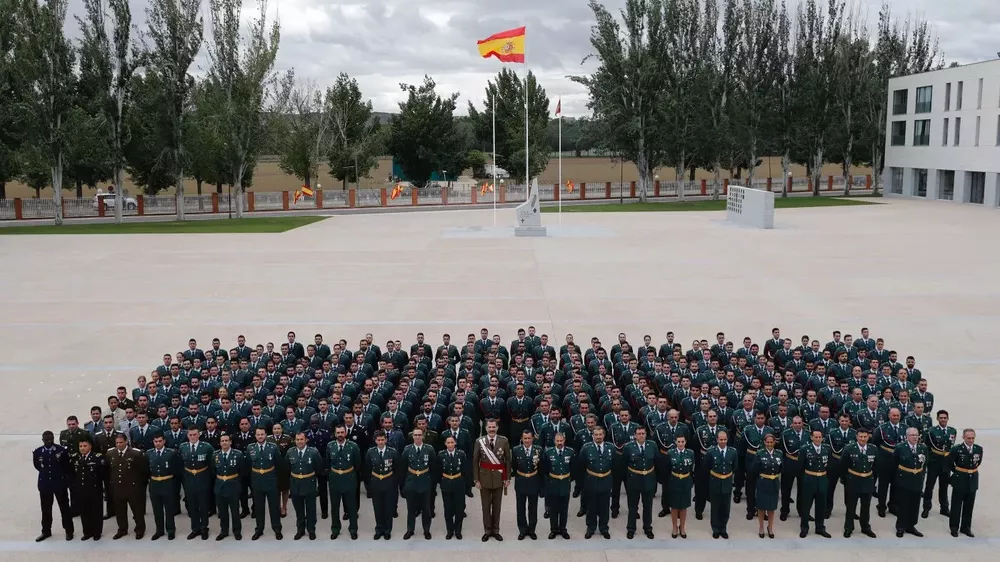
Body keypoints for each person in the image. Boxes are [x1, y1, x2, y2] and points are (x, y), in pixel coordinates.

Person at [472, 419, 511, 542]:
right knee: (485, 506)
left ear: (497, 428)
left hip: (499, 478)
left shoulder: (504, 441)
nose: (492, 429)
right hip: (484, 478)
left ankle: (496, 530)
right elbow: (475, 461)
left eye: (494, 427)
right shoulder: (480, 441)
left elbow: (508, 460)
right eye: (489, 427)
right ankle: (487, 531)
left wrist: (507, 477)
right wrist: (476, 479)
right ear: (486, 428)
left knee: (497, 506)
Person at [33, 430, 74, 542]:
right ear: (42, 440)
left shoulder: (61, 450)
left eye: (51, 439)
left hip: (59, 484)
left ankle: (69, 531)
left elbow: (67, 466)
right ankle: (46, 531)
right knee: (46, 510)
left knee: (65, 509)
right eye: (46, 440)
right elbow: (37, 466)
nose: (49, 442)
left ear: (53, 439)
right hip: (45, 485)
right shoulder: (38, 452)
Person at [106, 432, 148, 539]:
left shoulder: (135, 454)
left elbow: (143, 472)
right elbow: (109, 470)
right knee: (120, 512)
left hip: (133, 488)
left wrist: (140, 487)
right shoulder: (110, 453)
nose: (119, 445)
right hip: (118, 488)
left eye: (121, 442)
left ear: (126, 442)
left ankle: (139, 529)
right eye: (117, 443)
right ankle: (122, 529)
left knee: (137, 511)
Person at [326, 425, 362, 540]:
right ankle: (335, 529)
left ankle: (353, 529)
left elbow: (358, 464)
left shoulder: (353, 446)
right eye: (338, 433)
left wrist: (351, 474)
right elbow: (327, 463)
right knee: (335, 506)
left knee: (351, 506)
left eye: (342, 432)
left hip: (349, 478)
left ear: (345, 433)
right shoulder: (330, 446)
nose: (340, 434)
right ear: (335, 434)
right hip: (335, 479)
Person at [247, 427, 283, 540]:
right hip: (257, 481)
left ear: (266, 435)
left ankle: (277, 529)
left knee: (274, 506)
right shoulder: (250, 448)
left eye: (262, 434)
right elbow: (248, 465)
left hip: (271, 480)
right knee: (258, 507)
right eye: (258, 435)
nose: (260, 436)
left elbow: (279, 464)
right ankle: (259, 529)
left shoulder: (273, 447)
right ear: (255, 436)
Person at [841, 428, 877, 538]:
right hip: (853, 481)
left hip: (867, 481)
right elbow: (843, 466)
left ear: (868, 437)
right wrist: (846, 480)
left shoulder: (873, 449)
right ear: (856, 437)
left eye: (865, 436)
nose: (862, 439)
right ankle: (848, 528)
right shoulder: (849, 449)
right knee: (851, 506)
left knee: (866, 506)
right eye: (860, 436)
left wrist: (873, 481)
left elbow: (876, 467)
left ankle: (865, 527)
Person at [401, 428, 436, 540]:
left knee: (426, 509)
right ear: (412, 436)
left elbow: (433, 466)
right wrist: (404, 485)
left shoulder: (429, 449)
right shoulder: (407, 450)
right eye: (415, 435)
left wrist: (432, 482)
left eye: (419, 435)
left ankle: (426, 530)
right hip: (411, 482)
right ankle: (410, 530)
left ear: (423, 436)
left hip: (424, 481)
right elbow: (403, 468)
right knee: (411, 509)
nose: (417, 437)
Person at [180, 426, 214, 540]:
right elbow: (181, 464)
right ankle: (195, 528)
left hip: (203, 479)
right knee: (192, 506)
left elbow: (211, 464)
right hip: (189, 479)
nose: (193, 437)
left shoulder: (206, 447)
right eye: (190, 435)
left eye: (195, 434)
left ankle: (204, 528)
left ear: (198, 435)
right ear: (187, 435)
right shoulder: (183, 447)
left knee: (203, 506)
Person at [893, 427, 927, 538]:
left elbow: (925, 463)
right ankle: (901, 527)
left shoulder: (922, 448)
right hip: (904, 479)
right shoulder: (900, 448)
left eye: (916, 435)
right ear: (907, 436)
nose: (915, 437)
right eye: (912, 435)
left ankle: (911, 525)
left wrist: (922, 476)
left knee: (915, 504)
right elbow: (894, 463)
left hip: (917, 479)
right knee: (903, 504)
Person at [580, 426, 614, 539]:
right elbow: (581, 465)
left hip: (606, 481)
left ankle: (604, 528)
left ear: (604, 435)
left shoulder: (611, 447)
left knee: (605, 507)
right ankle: (591, 528)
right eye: (596, 435)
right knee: (591, 506)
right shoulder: (586, 448)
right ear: (593, 436)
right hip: (591, 481)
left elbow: (615, 466)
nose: (598, 437)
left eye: (600, 435)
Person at [623, 426, 657, 539]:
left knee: (648, 506)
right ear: (635, 435)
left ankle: (648, 528)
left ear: (646, 434)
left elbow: (657, 461)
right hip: (634, 480)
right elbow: (624, 464)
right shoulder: (628, 447)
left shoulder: (652, 445)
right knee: (633, 506)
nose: (641, 435)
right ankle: (631, 529)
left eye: (643, 433)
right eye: (639, 433)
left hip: (649, 479)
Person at [365, 430, 399, 540]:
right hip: (376, 483)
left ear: (386, 440)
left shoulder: (392, 452)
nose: (380, 442)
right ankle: (379, 529)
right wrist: (369, 485)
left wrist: (395, 483)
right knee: (378, 508)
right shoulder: (370, 452)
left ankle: (387, 530)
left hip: (388, 482)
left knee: (388, 508)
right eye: (378, 440)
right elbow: (367, 469)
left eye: (382, 440)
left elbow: (397, 468)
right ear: (375, 441)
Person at [287, 432, 321, 540]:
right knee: (299, 509)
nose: (299, 442)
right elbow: (286, 468)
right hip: (295, 484)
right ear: (294, 441)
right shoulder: (290, 452)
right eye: (297, 440)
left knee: (311, 509)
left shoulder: (313, 452)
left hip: (309, 483)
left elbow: (319, 468)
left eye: (301, 439)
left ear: (306, 440)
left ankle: (311, 530)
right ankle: (300, 530)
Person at [798, 429, 832, 538]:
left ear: (822, 438)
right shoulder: (805, 449)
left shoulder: (827, 449)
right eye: (815, 437)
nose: (818, 439)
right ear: (811, 437)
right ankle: (804, 527)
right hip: (809, 479)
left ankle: (820, 527)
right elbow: (800, 466)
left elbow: (830, 465)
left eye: (819, 437)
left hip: (822, 479)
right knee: (806, 505)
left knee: (821, 505)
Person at [948, 428, 982, 537]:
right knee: (956, 505)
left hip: (972, 480)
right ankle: (954, 527)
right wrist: (957, 472)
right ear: (963, 438)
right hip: (960, 479)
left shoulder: (978, 449)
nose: (971, 440)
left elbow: (978, 462)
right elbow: (949, 463)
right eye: (968, 438)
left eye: (972, 438)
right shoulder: (957, 449)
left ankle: (966, 527)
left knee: (969, 505)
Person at [704, 429, 737, 539]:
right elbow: (707, 466)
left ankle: (723, 528)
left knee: (725, 507)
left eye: (725, 439)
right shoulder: (711, 452)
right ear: (717, 440)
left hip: (727, 482)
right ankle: (715, 528)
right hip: (715, 482)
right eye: (721, 439)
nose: (723, 442)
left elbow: (734, 467)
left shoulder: (733, 452)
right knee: (715, 507)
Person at [71, 438, 106, 541]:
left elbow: (102, 474)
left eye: (85, 446)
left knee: (96, 512)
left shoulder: (97, 458)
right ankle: (87, 532)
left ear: (90, 446)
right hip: (82, 490)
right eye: (80, 446)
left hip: (95, 490)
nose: (82, 448)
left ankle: (97, 532)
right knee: (84, 512)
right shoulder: (76, 458)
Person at [923, 409, 956, 518]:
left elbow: (950, 446)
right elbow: (927, 446)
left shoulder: (952, 431)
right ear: (937, 419)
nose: (943, 420)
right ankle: (926, 508)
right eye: (941, 418)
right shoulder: (931, 431)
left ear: (947, 419)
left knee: (944, 486)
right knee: (929, 486)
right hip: (934, 461)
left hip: (945, 462)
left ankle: (944, 508)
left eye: (945, 418)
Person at [147, 434, 180, 540]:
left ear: (164, 441)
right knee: (157, 510)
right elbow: (146, 470)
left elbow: (176, 469)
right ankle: (159, 530)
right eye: (156, 441)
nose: (158, 443)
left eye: (160, 441)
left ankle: (171, 530)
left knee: (169, 509)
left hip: (167, 483)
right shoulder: (149, 453)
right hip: (154, 484)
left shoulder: (171, 453)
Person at [541, 432, 573, 540]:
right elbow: (545, 469)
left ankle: (563, 529)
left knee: (564, 509)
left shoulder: (570, 452)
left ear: (564, 441)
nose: (559, 443)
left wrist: (568, 479)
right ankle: (553, 530)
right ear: (554, 441)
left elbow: (574, 468)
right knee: (553, 509)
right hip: (553, 484)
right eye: (557, 441)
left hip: (565, 483)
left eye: (561, 441)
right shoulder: (548, 453)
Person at [213, 434, 245, 540]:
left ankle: (237, 531)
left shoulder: (238, 454)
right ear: (220, 442)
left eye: (226, 440)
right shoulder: (215, 455)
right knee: (222, 511)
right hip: (220, 485)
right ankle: (224, 531)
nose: (224, 442)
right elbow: (213, 471)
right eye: (222, 441)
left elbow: (242, 471)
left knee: (235, 511)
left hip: (233, 485)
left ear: (230, 442)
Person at [512, 429, 542, 540]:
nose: (527, 440)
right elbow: (514, 466)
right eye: (525, 438)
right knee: (520, 507)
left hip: (534, 481)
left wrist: (541, 486)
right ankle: (522, 530)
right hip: (521, 481)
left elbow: (541, 468)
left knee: (533, 507)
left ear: (532, 439)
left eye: (529, 438)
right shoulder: (516, 450)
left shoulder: (538, 450)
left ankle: (532, 529)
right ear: (521, 439)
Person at [439, 435, 468, 539]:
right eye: (448, 443)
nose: (450, 444)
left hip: (458, 483)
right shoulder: (441, 455)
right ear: (445, 444)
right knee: (448, 509)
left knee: (459, 508)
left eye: (452, 442)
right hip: (446, 483)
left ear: (455, 443)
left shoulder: (461, 454)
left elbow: (465, 469)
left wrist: (463, 482)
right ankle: (449, 530)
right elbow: (438, 471)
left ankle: (458, 530)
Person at [753, 433, 782, 538]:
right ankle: (761, 527)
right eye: (767, 442)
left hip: (774, 482)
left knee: (771, 507)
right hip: (763, 482)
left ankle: (770, 527)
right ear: (764, 442)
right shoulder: (760, 453)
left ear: (774, 442)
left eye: (771, 442)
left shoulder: (779, 453)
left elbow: (781, 468)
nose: (769, 444)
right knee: (761, 507)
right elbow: (754, 469)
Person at [667, 434, 695, 539]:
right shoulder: (670, 453)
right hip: (674, 480)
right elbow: (668, 468)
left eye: (682, 442)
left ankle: (682, 527)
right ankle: (674, 527)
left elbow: (692, 467)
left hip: (686, 480)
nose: (680, 444)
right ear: (675, 442)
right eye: (678, 442)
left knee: (684, 506)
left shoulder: (690, 453)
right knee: (674, 507)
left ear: (685, 442)